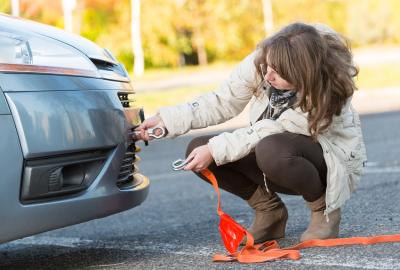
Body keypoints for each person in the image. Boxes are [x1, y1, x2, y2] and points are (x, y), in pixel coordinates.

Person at [134, 22, 367, 244]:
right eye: (268, 67)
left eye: (278, 73)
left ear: (303, 74)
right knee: (198, 149)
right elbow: (222, 101)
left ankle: (324, 211)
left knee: (271, 149)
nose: (267, 76)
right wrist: (166, 121)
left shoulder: (330, 86)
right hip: (275, 146)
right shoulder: (268, 58)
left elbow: (275, 128)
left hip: (325, 161)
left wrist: (215, 149)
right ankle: (270, 212)